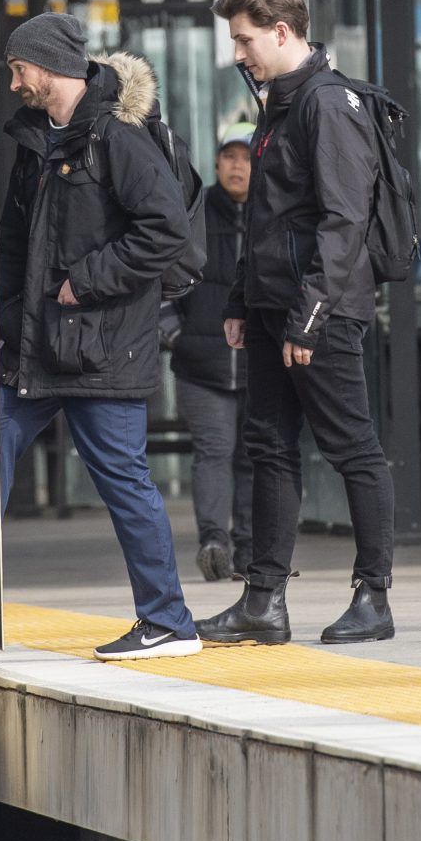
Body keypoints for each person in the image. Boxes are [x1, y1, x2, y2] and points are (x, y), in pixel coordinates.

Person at [196, 0, 397, 647]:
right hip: (271, 307)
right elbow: (269, 214)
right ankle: (263, 600)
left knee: (352, 448)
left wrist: (308, 316)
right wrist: (241, 300)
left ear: (282, 32)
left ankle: (373, 598)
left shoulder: (327, 104)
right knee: (269, 449)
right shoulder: (279, 102)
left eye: (245, 39)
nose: (238, 52)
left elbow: (344, 221)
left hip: (321, 312)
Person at [0, 12, 200, 662]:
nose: (11, 78)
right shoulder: (35, 143)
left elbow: (166, 229)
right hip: (41, 347)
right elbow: (13, 247)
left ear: (48, 65)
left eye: (16, 66)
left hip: (102, 347)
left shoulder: (117, 137)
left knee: (123, 480)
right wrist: (4, 322)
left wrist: (87, 282)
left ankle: (168, 622)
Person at [169, 123, 258, 583]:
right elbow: (166, 268)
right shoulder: (196, 210)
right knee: (214, 451)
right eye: (229, 157)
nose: (237, 166)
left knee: (252, 455)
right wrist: (172, 330)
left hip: (258, 364)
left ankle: (247, 546)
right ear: (217, 162)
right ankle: (214, 542)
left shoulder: (273, 212)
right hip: (201, 363)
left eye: (245, 157)